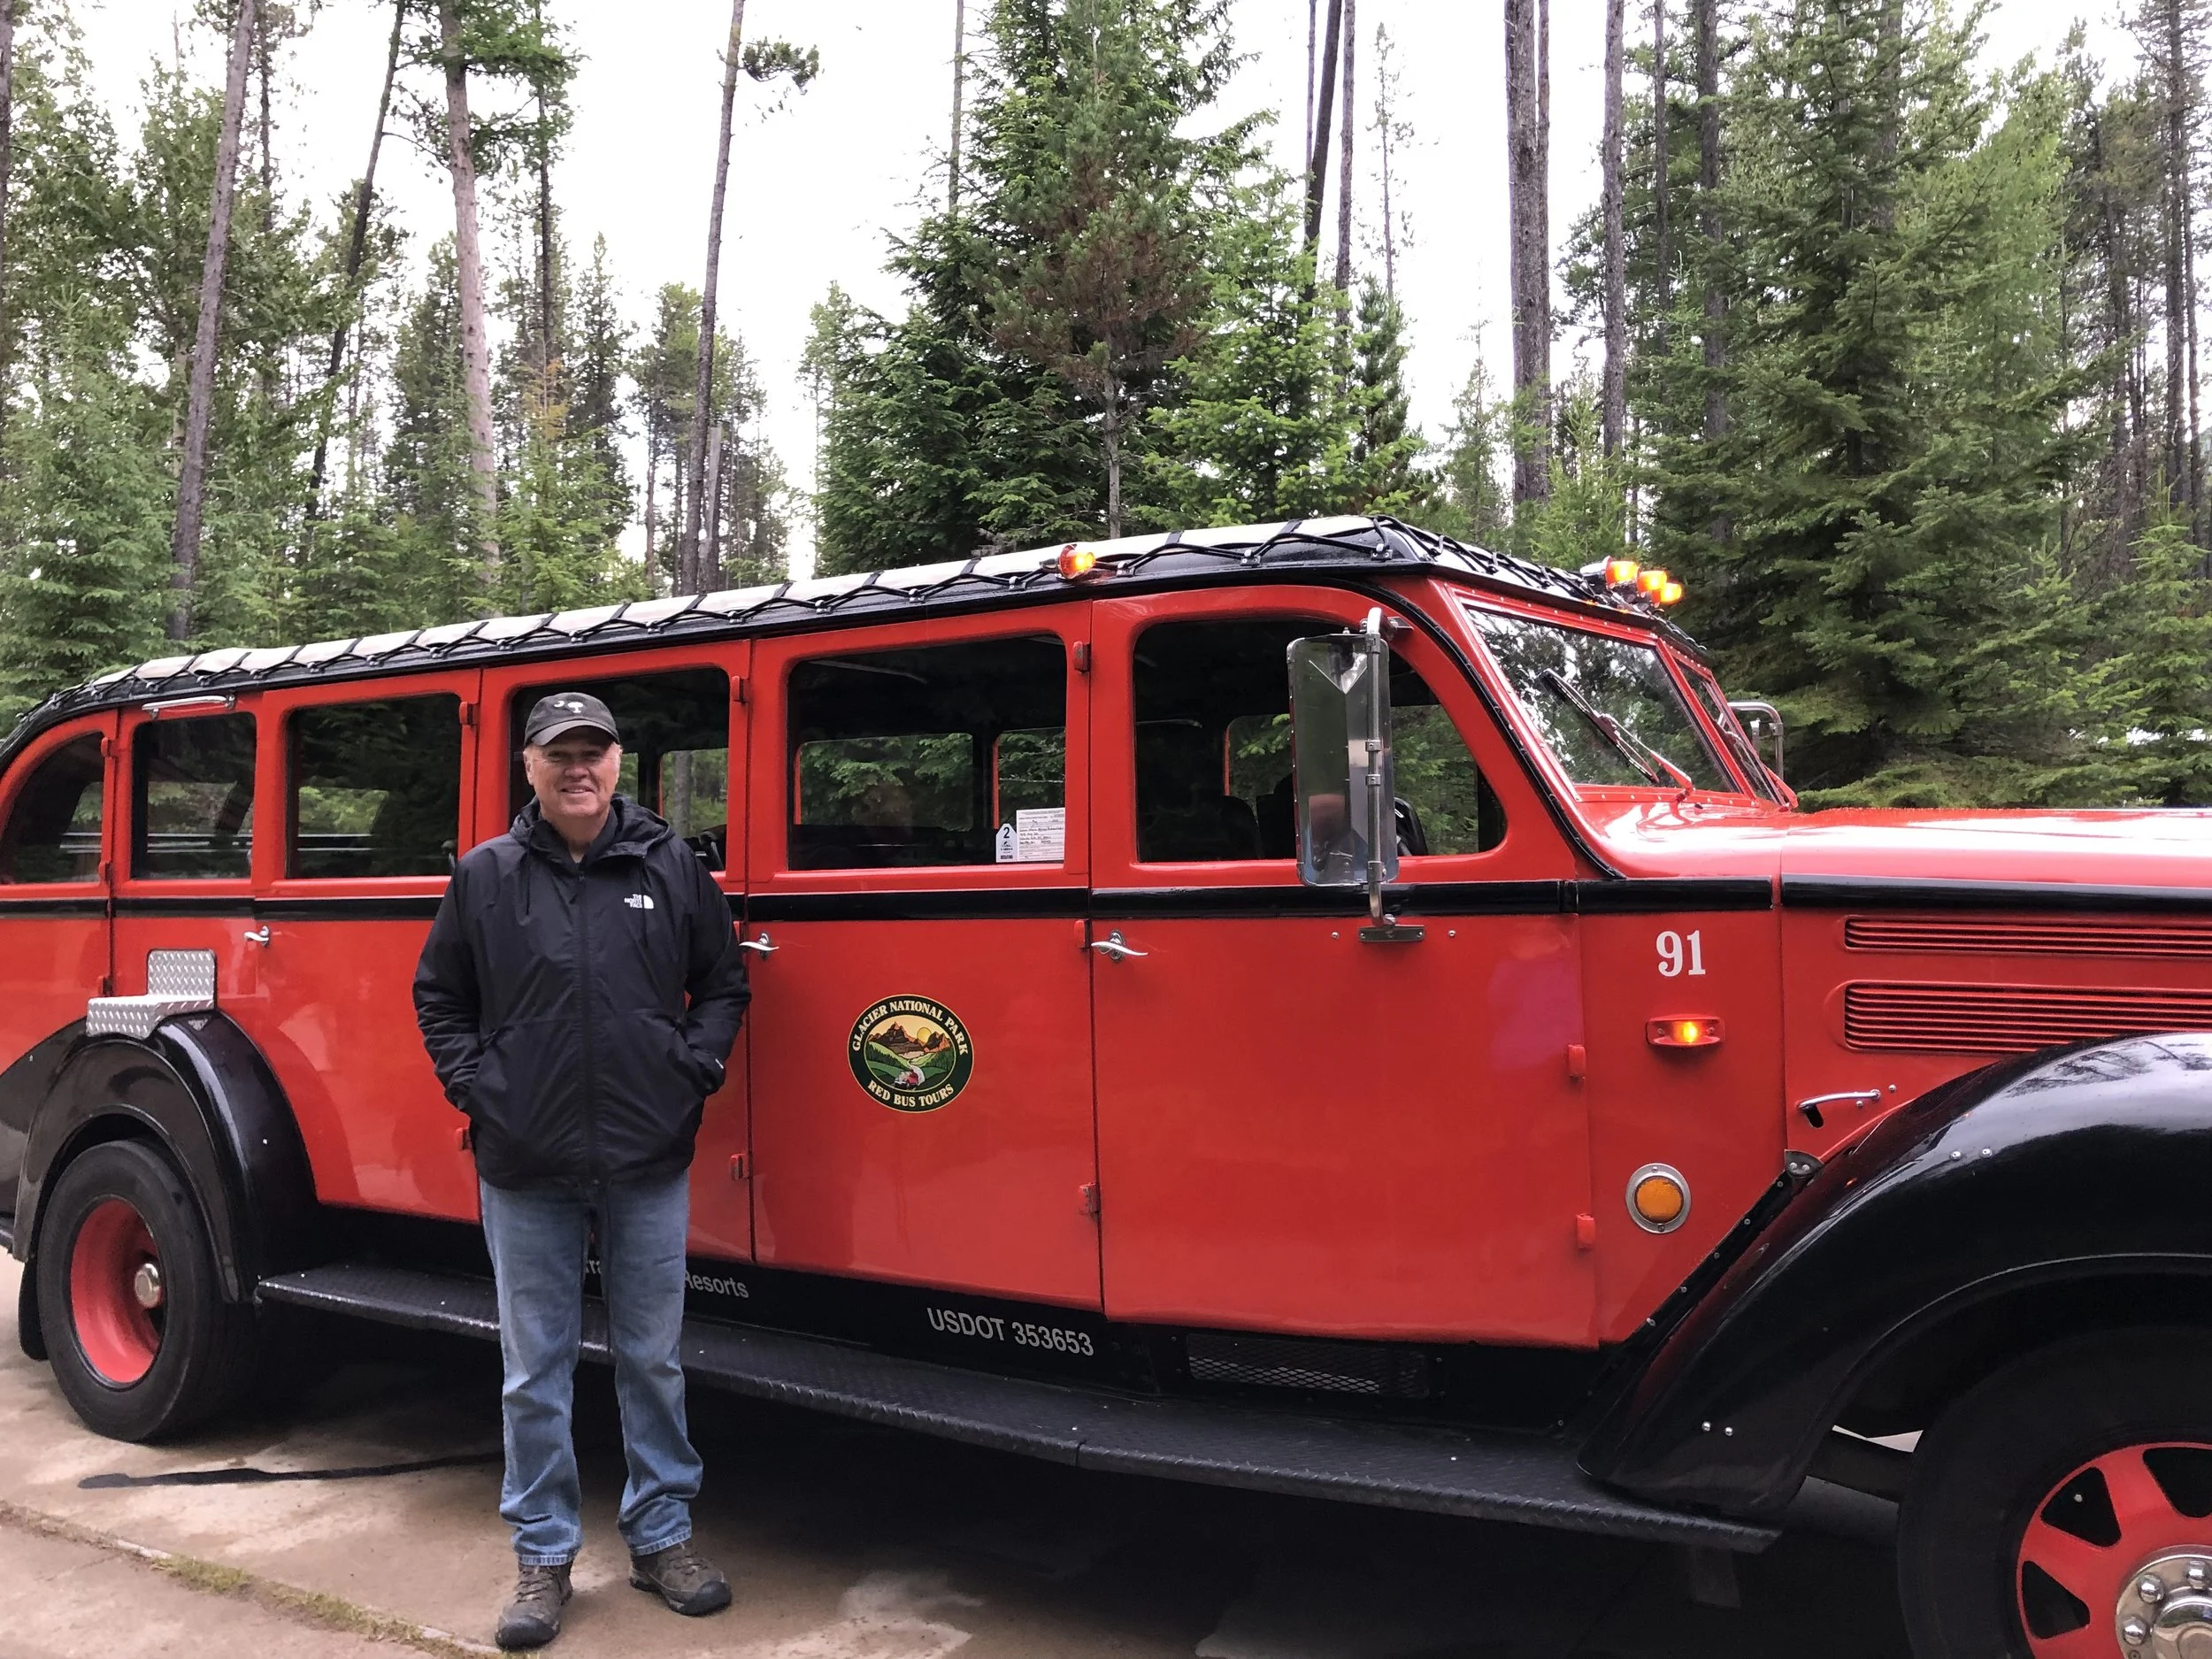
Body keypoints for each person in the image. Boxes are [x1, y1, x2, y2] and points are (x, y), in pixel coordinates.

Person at [413, 690, 749, 1651]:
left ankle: (662, 1539)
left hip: (648, 1156)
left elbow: (723, 983)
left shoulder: (669, 865)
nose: (578, 769)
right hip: (524, 1162)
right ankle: (544, 1555)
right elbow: (439, 995)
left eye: (594, 752)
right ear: (528, 767)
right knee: (535, 1371)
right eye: (559, 754)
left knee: (652, 1360)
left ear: (617, 765)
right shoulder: (485, 876)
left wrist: (691, 1072)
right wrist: (482, 1090)